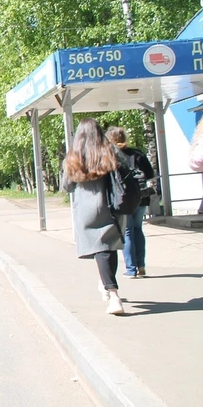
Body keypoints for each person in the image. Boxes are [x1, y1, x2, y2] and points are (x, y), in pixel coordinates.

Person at [61, 118, 127, 315]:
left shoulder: (73, 157)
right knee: (108, 248)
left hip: (86, 210)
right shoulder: (110, 152)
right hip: (110, 207)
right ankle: (110, 289)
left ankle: (112, 292)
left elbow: (67, 186)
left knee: (101, 250)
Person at [105, 127, 155, 278]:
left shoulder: (112, 156)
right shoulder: (137, 154)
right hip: (141, 196)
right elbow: (150, 174)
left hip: (124, 199)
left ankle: (131, 269)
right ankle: (141, 266)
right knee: (138, 229)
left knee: (128, 231)